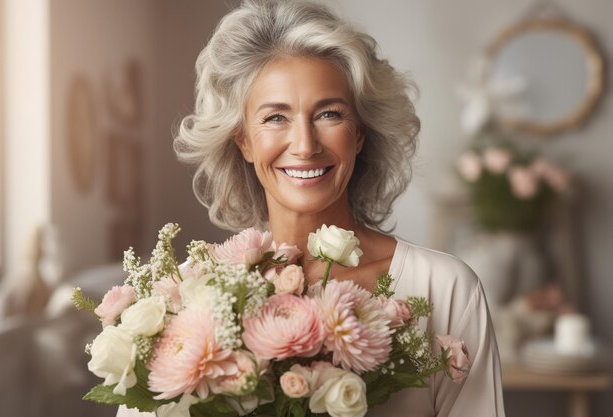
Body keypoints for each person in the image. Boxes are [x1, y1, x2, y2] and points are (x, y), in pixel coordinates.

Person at [118, 0, 505, 416]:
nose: (305, 145)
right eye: (275, 118)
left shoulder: (445, 290)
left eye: (329, 114)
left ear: (359, 134)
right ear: (243, 140)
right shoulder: (184, 300)